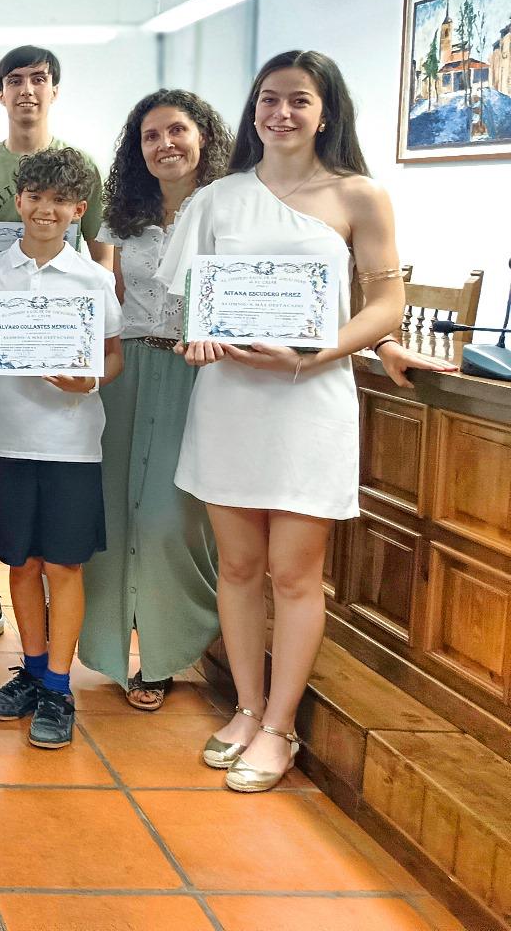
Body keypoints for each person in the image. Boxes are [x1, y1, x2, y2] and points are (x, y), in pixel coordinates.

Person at [156, 50, 405, 792]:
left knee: (294, 574)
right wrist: (198, 336)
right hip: (230, 401)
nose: (282, 112)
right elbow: (190, 304)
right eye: (269, 98)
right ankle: (246, 706)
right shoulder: (218, 198)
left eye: (299, 99)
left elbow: (386, 305)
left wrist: (315, 353)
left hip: (309, 400)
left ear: (326, 112)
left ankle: (280, 727)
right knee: (237, 567)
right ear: (253, 109)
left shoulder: (359, 195)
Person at [0, 45, 110, 658]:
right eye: (14, 80)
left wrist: (88, 366)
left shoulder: (84, 173)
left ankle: (52, 667)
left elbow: (103, 265)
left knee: (60, 555)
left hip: (66, 412)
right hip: (0, 381)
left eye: (39, 79)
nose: (27, 90)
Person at [0, 146, 123, 749]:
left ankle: (59, 685)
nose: (45, 210)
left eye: (60, 200)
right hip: (9, 438)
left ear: (79, 210)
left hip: (71, 442)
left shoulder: (94, 279)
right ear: (20, 200)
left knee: (64, 565)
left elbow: (113, 356)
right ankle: (31, 670)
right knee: (22, 564)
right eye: (35, 197)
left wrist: (89, 381)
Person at [80, 90, 232, 710]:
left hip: (202, 373)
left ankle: (172, 644)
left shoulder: (230, 209)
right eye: (150, 136)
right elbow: (104, 294)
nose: (165, 144)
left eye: (177, 131)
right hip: (129, 370)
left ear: (204, 137)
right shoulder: (122, 217)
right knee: (114, 513)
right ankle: (118, 647)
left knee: (171, 517)